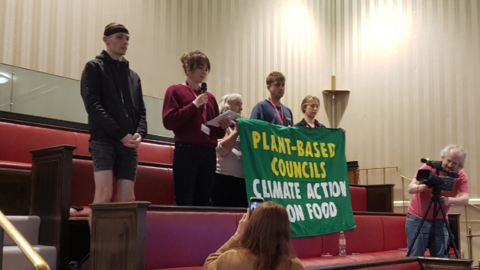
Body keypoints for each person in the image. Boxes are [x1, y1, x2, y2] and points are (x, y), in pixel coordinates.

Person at [80, 22, 147, 226]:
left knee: (127, 199)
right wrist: (119, 133)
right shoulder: (94, 67)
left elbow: (141, 111)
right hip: (104, 140)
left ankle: (120, 251)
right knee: (104, 194)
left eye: (127, 38)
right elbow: (93, 105)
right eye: (119, 37)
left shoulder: (133, 76)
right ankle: (98, 252)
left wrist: (140, 133)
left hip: (128, 142)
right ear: (105, 39)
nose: (124, 42)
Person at [162, 50, 230, 206]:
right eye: (200, 67)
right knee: (185, 197)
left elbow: (215, 131)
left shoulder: (210, 97)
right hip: (187, 150)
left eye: (206, 69)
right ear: (187, 68)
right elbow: (169, 121)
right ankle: (183, 230)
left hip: (208, 153)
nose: (204, 72)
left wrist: (222, 126)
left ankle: (201, 229)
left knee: (204, 198)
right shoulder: (175, 91)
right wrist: (194, 105)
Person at [406, 144, 469, 257]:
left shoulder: (461, 177)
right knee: (416, 255)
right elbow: (411, 189)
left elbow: (465, 199)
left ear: (460, 165)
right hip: (417, 218)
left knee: (441, 257)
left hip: (441, 219)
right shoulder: (428, 168)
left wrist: (448, 200)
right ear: (442, 158)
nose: (449, 165)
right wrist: (425, 185)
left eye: (454, 163)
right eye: (448, 160)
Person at [204, 202, 306, 270]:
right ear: (285, 231)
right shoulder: (295, 266)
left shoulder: (230, 259)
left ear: (252, 227)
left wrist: (236, 236)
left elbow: (209, 263)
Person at [212, 93, 247, 207]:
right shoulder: (219, 123)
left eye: (241, 104)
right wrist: (237, 132)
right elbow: (221, 150)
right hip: (224, 180)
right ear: (227, 106)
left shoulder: (242, 124)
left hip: (242, 180)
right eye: (237, 104)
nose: (241, 108)